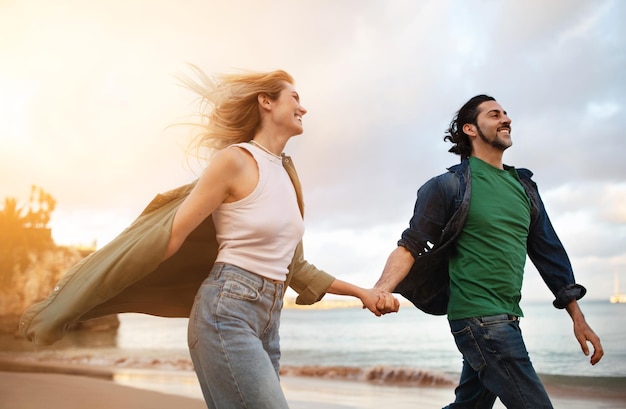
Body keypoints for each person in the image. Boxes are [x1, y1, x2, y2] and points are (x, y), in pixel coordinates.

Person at [160, 67, 400, 409]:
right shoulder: (234, 160)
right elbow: (173, 233)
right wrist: (100, 285)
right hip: (227, 310)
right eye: (295, 98)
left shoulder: (286, 174)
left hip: (268, 319)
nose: (303, 109)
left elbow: (296, 267)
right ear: (266, 102)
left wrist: (362, 292)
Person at [372, 95, 603, 409]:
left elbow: (550, 254)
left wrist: (578, 317)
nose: (505, 119)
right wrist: (381, 289)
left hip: (508, 318)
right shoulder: (448, 187)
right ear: (470, 128)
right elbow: (410, 245)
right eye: (495, 114)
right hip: (480, 320)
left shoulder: (524, 188)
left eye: (506, 114)